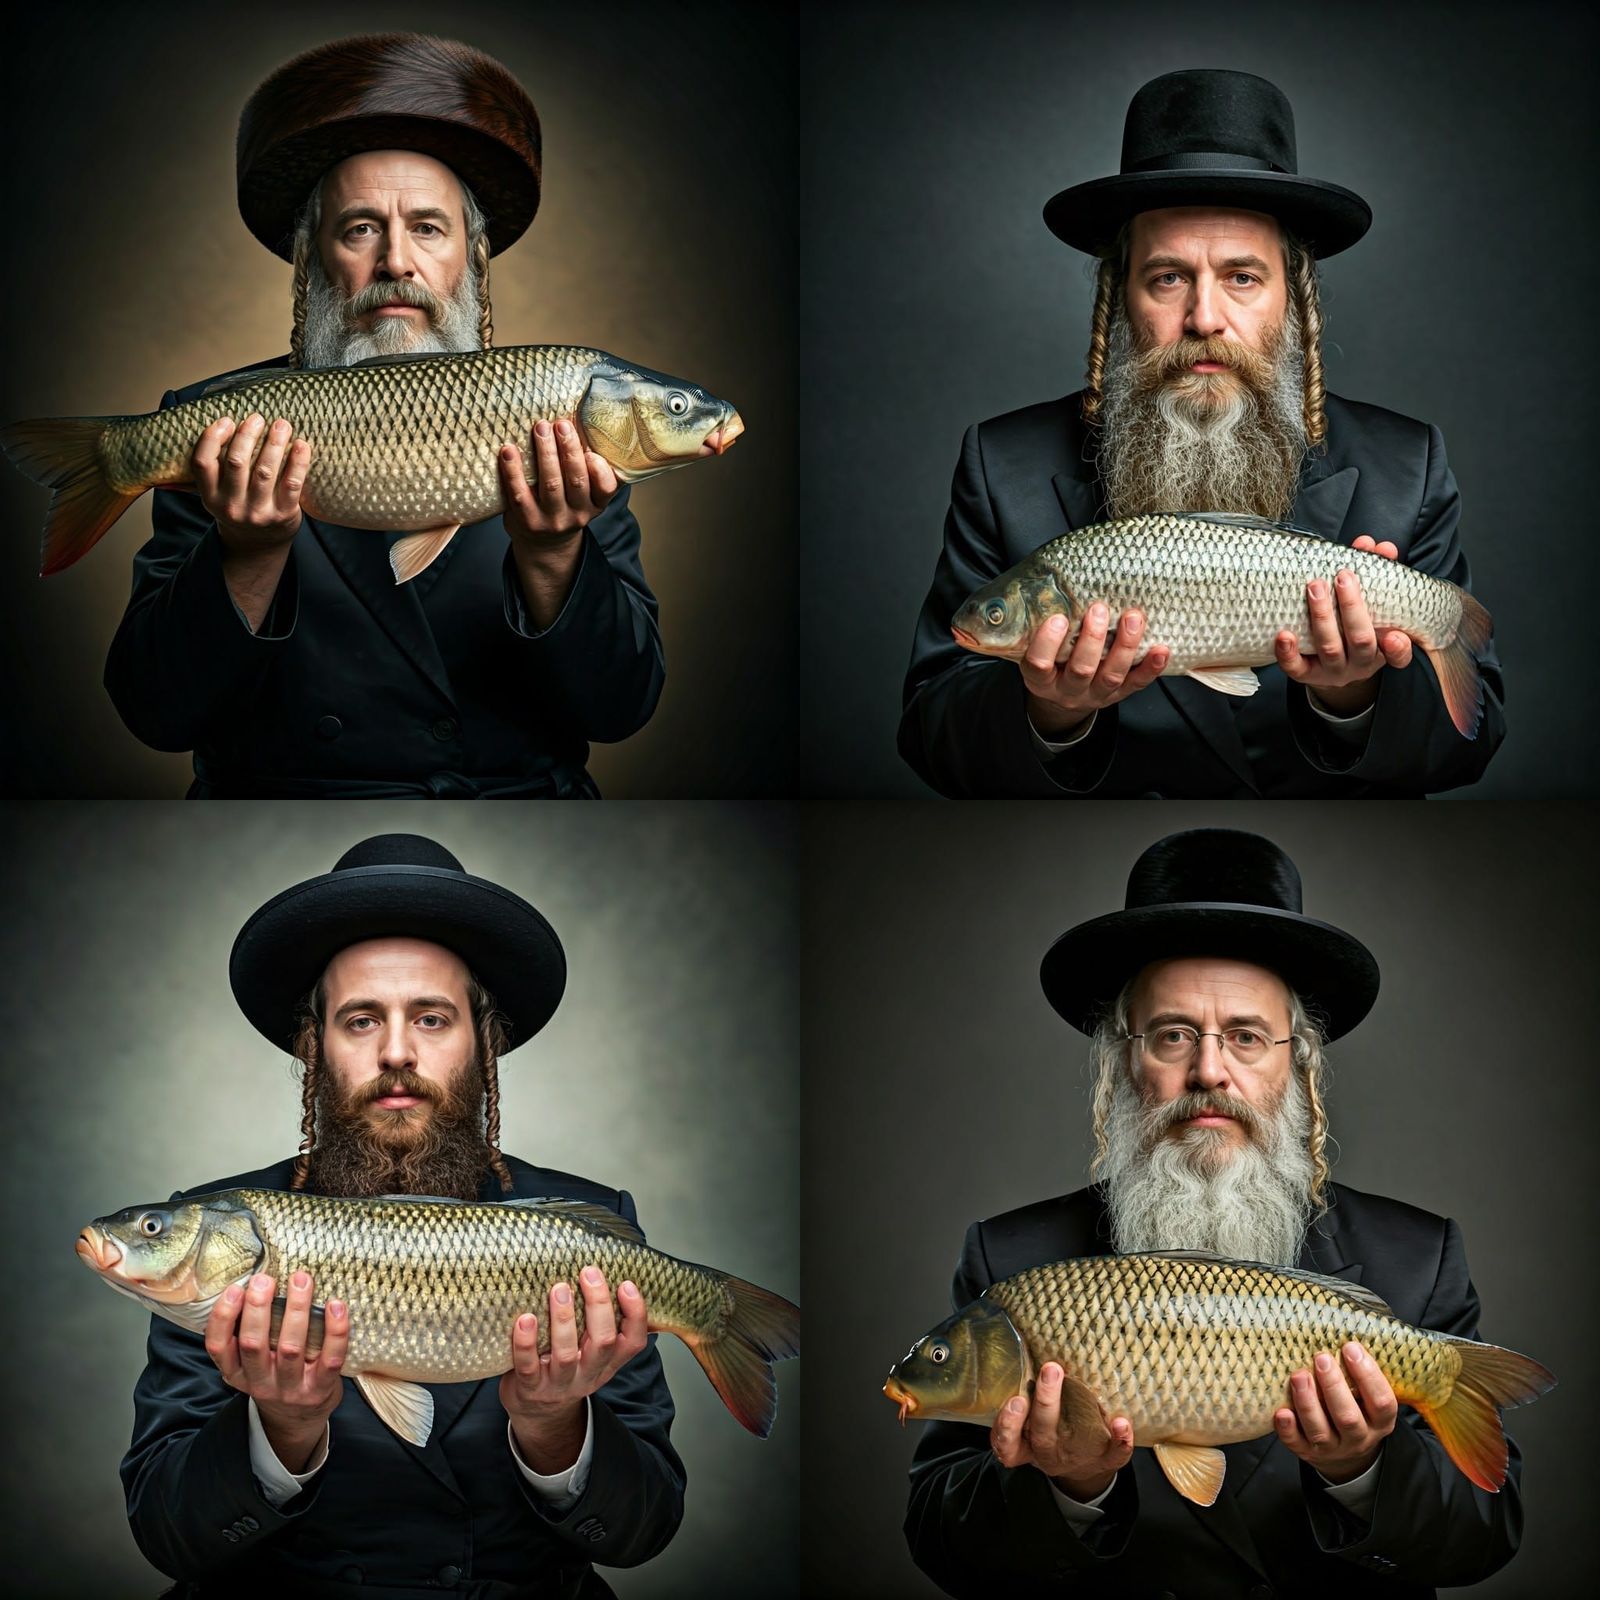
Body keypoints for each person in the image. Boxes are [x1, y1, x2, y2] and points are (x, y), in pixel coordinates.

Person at [905, 828, 1531, 1596]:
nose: (1209, 1070)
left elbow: (1487, 1534)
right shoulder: (1009, 1258)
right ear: (1122, 1063)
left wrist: (1361, 1468)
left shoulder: (1418, 1256)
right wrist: (1072, 1491)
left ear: (1296, 1065)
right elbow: (940, 1541)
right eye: (1172, 1035)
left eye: (1245, 1036)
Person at [899, 70, 1505, 797]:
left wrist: (1353, 697)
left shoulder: (1408, 465)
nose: (1205, 318)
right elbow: (931, 736)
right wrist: (1049, 711)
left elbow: (1470, 745)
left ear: (1294, 298)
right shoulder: (1003, 465)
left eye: (1243, 277)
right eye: (1167, 278)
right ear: (1119, 298)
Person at [120, 833, 684, 1595]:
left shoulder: (587, 1222)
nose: (395, 1052)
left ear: (483, 1046)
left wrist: (555, 1426)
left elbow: (641, 1534)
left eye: (430, 1019)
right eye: (360, 1020)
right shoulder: (219, 1228)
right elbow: (166, 1535)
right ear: (314, 1048)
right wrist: (281, 1430)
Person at [105, 34, 664, 798]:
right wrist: (246, 555)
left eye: (428, 228)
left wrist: (556, 556)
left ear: (471, 258)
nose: (395, 260)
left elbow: (622, 709)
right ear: (316, 259)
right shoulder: (217, 424)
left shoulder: (567, 425)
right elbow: (157, 716)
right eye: (361, 227)